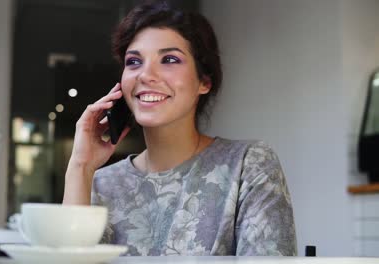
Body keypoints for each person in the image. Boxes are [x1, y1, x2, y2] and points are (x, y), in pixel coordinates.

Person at [63, 1, 297, 256]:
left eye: (170, 59)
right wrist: (80, 167)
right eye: (133, 61)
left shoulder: (247, 165)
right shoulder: (101, 183)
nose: (145, 74)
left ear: (204, 81)